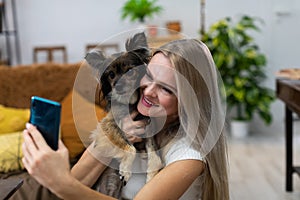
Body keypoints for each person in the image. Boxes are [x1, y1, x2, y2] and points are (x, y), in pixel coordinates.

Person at [22, 38, 229, 200]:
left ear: (189, 101)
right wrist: (114, 138)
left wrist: (60, 182)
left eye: (166, 89)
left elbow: (69, 187)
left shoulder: (189, 156)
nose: (148, 91)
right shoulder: (130, 120)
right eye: (148, 75)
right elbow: (78, 181)